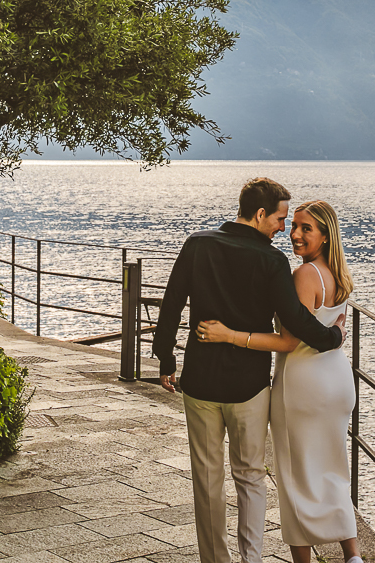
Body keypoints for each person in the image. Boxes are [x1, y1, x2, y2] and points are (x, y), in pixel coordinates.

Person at [153, 178, 346, 563]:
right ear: (260, 214)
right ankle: (251, 559)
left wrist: (166, 359)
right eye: (279, 219)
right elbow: (296, 321)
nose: (283, 229)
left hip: (201, 381)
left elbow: (172, 301)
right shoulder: (272, 261)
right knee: (251, 477)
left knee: (207, 480)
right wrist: (334, 337)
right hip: (250, 387)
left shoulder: (197, 243)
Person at [198, 200, 361, 563]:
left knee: (294, 477)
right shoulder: (339, 274)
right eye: (294, 225)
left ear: (324, 235)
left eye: (306, 228)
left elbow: (289, 341)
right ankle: (353, 556)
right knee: (333, 468)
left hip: (303, 385)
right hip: (337, 380)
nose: (296, 234)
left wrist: (229, 335)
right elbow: (335, 328)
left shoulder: (304, 275)